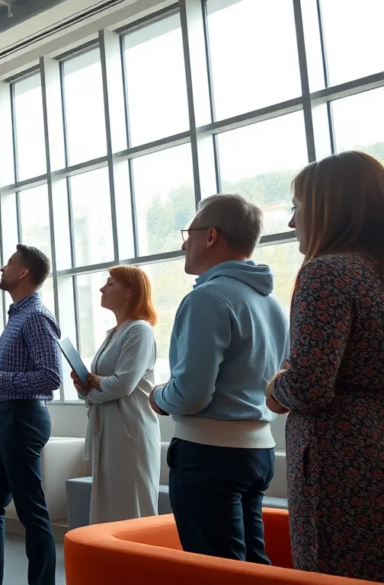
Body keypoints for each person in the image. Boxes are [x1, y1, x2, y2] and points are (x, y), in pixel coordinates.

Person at [150, 194, 289, 564]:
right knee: (251, 566)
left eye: (189, 233)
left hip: (209, 455)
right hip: (258, 452)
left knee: (215, 568)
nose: (184, 242)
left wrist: (159, 397)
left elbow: (192, 393)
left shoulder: (207, 299)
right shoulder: (271, 304)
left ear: (211, 235)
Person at [268, 152, 384, 582]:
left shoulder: (328, 272)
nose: (293, 222)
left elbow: (311, 385)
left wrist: (275, 387)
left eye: (298, 206)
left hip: (341, 457)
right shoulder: (374, 272)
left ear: (329, 208)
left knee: (331, 571)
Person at [0, 244, 61, 585]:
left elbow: (50, 377)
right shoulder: (19, 316)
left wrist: (0, 378)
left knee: (30, 511)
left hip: (22, 419)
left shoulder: (36, 316)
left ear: (24, 273)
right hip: (5, 419)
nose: (2, 268)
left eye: (9, 263)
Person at [70, 266, 160, 525]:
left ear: (128, 292)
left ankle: (138, 565)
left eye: (109, 283)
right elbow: (102, 383)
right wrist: (84, 386)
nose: (101, 288)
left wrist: (90, 390)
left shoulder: (140, 330)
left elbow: (123, 384)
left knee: (132, 507)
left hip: (130, 431)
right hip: (110, 430)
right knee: (109, 507)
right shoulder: (115, 333)